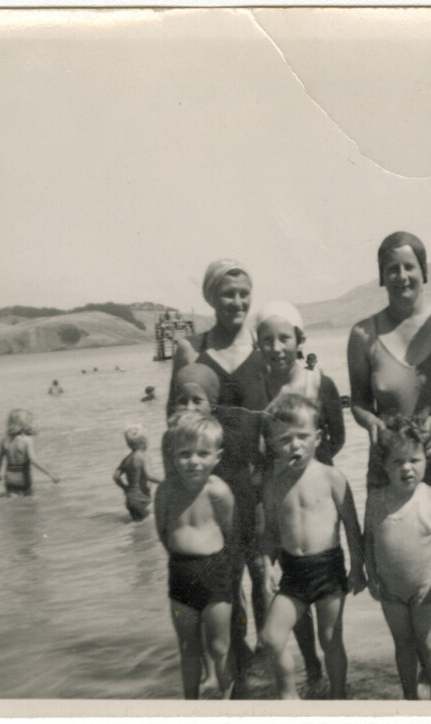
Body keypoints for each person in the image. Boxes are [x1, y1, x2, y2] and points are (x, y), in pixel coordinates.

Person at [348, 231, 431, 685]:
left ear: (424, 271)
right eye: (392, 268)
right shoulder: (363, 334)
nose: (402, 275)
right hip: (391, 469)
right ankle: (419, 678)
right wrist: (370, 423)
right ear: (381, 275)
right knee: (397, 572)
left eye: (409, 266)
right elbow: (359, 402)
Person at [169, 260, 270, 688]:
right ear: (211, 297)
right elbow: (174, 424)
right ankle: (238, 661)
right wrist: (178, 494)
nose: (238, 301)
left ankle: (268, 661)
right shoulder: (191, 350)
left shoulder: (264, 345)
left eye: (244, 293)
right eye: (228, 294)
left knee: (263, 573)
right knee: (224, 579)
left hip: (256, 483)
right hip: (209, 487)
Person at [258, 394, 366, 700]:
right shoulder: (273, 485)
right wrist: (267, 566)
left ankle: (338, 697)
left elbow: (352, 527)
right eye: (285, 439)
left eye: (302, 436)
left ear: (317, 438)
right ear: (273, 444)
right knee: (272, 637)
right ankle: (289, 698)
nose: (295, 445)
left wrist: (358, 568)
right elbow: (270, 534)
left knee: (330, 639)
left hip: (327, 569)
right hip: (292, 573)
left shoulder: (332, 478)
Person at [364, 416, 431, 700]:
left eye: (414, 460)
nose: (407, 467)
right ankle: (409, 700)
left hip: (426, 587)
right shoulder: (375, 499)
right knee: (403, 644)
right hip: (390, 590)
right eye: (398, 461)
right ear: (384, 465)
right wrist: (371, 574)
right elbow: (368, 540)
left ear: (426, 459)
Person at [153, 411, 236, 700]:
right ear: (173, 455)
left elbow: (229, 531)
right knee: (188, 648)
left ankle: (229, 704)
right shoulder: (165, 492)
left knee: (219, 647)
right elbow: (163, 531)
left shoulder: (218, 490)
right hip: (180, 575)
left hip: (215, 574)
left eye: (203, 453)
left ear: (217, 456)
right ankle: (190, 706)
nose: (194, 461)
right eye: (185, 454)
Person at [256, 302, 346, 465]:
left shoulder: (320, 384)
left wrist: (311, 465)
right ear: (259, 345)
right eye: (267, 340)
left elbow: (338, 438)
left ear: (300, 341)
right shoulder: (256, 390)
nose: (276, 348)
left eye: (284, 338)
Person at [0, 409, 58, 495]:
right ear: (25, 424)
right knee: (28, 500)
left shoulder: (4, 441)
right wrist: (50, 474)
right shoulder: (27, 440)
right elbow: (33, 461)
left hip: (9, 479)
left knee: (12, 499)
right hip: (23, 478)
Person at [113, 424, 163, 521]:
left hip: (130, 499)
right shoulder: (143, 457)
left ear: (129, 444)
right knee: (154, 520)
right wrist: (166, 480)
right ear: (145, 443)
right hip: (141, 498)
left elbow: (116, 477)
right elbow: (150, 476)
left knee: (138, 523)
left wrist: (125, 488)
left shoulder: (126, 459)